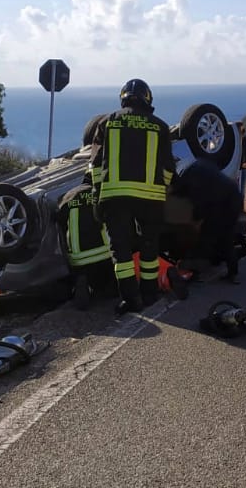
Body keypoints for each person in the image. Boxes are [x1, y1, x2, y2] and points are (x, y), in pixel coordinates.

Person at [89, 78, 176, 315]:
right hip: (151, 198)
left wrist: (97, 196)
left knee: (121, 251)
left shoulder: (107, 122)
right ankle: (150, 294)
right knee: (150, 248)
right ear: (148, 98)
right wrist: (162, 191)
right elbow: (169, 168)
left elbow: (95, 165)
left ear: (123, 97)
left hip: (115, 197)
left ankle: (130, 299)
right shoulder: (160, 126)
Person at [169, 158, 245, 283]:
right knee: (226, 238)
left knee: (205, 238)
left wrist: (195, 219)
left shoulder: (192, 181)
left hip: (223, 204)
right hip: (234, 198)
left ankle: (194, 271)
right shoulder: (197, 166)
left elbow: (199, 204)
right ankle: (232, 273)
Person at [56, 181, 115, 311]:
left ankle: (82, 280)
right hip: (105, 252)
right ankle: (110, 287)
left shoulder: (68, 197)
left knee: (83, 272)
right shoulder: (100, 191)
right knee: (110, 279)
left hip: (79, 257)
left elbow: (59, 221)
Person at [235, 121, 246, 202]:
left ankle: (241, 206)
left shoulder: (244, 139)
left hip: (245, 168)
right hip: (238, 169)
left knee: (243, 189)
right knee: (237, 190)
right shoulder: (234, 141)